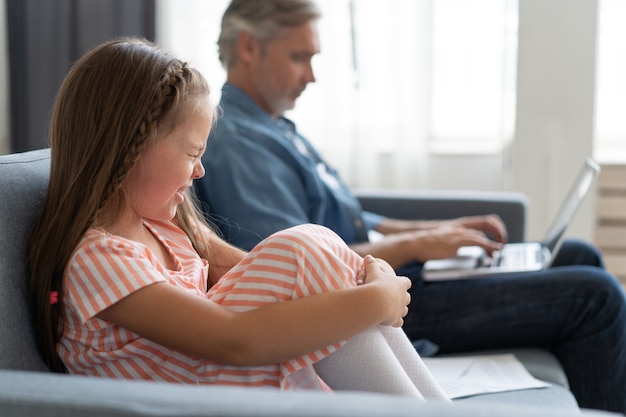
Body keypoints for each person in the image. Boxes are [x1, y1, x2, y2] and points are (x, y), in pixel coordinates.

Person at [193, 0, 626, 413]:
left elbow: (353, 218)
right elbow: (295, 268)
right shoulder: (236, 144)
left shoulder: (275, 128)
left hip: (386, 275)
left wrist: (438, 229)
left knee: (578, 255)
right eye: (299, 57)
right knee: (597, 298)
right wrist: (420, 243)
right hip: (368, 299)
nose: (311, 76)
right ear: (249, 47)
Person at [26, 36, 452, 400]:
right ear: (130, 148)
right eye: (193, 153)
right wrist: (379, 299)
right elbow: (234, 340)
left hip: (219, 387)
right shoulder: (97, 260)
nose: (199, 171)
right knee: (305, 249)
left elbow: (279, 278)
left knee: (312, 251)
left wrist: (361, 277)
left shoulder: (162, 228)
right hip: (195, 398)